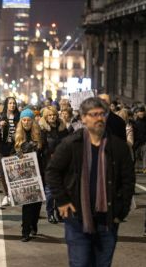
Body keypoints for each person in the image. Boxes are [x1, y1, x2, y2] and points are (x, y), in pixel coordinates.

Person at [46, 97, 135, 267]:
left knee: (102, 264)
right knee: (80, 263)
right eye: (94, 114)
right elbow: (52, 171)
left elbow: (128, 180)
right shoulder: (72, 144)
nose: (99, 118)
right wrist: (63, 200)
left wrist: (121, 211)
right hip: (77, 219)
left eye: (102, 114)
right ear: (83, 118)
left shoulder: (118, 147)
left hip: (107, 220)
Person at [13, 109, 44, 242]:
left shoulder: (39, 135)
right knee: (27, 204)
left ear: (33, 121)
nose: (26, 122)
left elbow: (45, 152)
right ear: (21, 121)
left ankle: (33, 225)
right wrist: (18, 155)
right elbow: (11, 151)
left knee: (37, 203)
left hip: (38, 172)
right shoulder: (17, 135)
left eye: (28, 120)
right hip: (24, 174)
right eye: (24, 120)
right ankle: (25, 231)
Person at [39, 105, 69, 224]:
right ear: (46, 117)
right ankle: (50, 213)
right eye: (50, 115)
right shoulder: (43, 130)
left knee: (61, 189)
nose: (52, 117)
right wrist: (50, 154)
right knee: (50, 192)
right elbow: (41, 147)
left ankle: (59, 212)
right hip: (48, 164)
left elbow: (67, 144)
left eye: (54, 115)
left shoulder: (62, 129)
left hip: (62, 163)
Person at [0, 97, 20, 206]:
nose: (12, 105)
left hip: (14, 149)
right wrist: (0, 127)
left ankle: (13, 195)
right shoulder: (0, 116)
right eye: (10, 103)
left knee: (14, 173)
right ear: (6, 104)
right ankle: (7, 195)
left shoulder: (19, 117)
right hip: (2, 149)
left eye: (14, 103)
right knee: (3, 174)